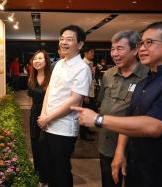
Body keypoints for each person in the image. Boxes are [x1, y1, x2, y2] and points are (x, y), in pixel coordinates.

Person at [72, 21, 162, 187]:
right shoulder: (147, 80)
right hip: (134, 161)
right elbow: (131, 115)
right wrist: (120, 151)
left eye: (149, 43)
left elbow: (154, 126)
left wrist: (98, 119)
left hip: (160, 169)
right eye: (141, 43)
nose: (142, 49)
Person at [37, 25, 91, 187]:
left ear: (80, 45)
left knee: (61, 171)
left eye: (69, 39)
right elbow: (49, 91)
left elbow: (74, 101)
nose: (64, 42)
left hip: (63, 129)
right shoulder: (59, 64)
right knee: (48, 168)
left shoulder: (82, 68)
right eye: (62, 39)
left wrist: (48, 118)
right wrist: (43, 115)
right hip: (47, 125)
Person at [97, 30, 149, 187]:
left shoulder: (148, 76)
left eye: (120, 48)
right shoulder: (108, 75)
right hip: (106, 145)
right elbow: (102, 103)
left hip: (135, 149)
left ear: (135, 50)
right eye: (112, 49)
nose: (114, 53)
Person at [27, 50, 51, 187]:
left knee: (46, 145)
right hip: (34, 113)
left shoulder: (52, 77)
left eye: (40, 58)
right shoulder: (31, 78)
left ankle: (46, 174)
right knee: (35, 144)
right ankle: (38, 173)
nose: (37, 61)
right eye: (35, 58)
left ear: (46, 61)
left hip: (48, 114)